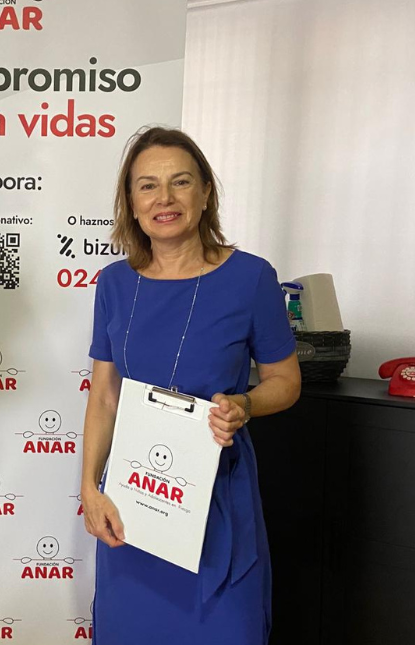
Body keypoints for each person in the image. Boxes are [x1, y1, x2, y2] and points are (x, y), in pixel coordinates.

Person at [80, 127, 300, 643]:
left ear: (204, 194)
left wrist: (245, 403)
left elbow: (286, 381)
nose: (165, 198)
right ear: (131, 203)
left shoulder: (251, 278)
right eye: (148, 186)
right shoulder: (114, 283)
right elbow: (105, 396)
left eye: (180, 182)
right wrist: (90, 486)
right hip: (133, 502)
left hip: (216, 503)